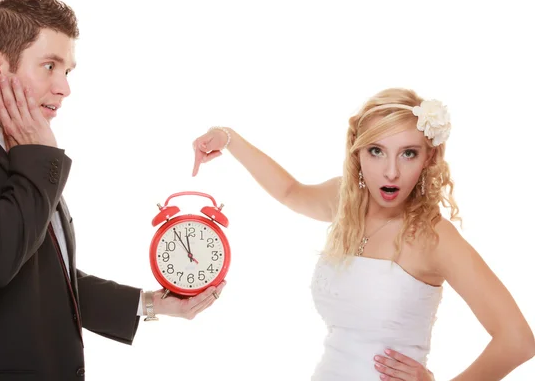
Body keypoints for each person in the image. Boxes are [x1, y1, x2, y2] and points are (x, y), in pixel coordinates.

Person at [0, 0, 225, 381]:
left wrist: (153, 305)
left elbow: (39, 274)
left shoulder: (17, 144)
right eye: (49, 66)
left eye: (67, 71)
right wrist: (40, 155)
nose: (64, 88)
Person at [191, 89, 535, 380]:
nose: (391, 172)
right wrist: (228, 137)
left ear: (429, 157)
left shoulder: (433, 236)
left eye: (408, 154)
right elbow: (290, 191)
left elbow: (517, 340)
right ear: (357, 152)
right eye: (376, 151)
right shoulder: (345, 202)